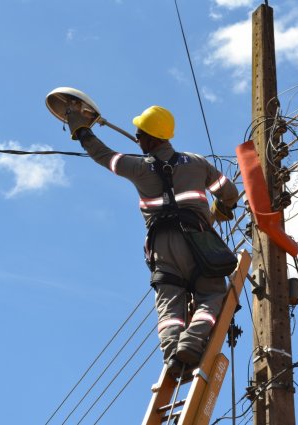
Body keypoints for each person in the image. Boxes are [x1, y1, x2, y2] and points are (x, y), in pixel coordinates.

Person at [65, 105, 238, 377]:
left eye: (140, 133)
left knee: (170, 305)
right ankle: (191, 343)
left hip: (163, 248)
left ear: (152, 138)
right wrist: (219, 212)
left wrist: (81, 129)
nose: (137, 137)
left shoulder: (138, 168)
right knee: (212, 293)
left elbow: (104, 156)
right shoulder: (197, 163)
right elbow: (229, 193)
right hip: (199, 243)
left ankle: (172, 354)